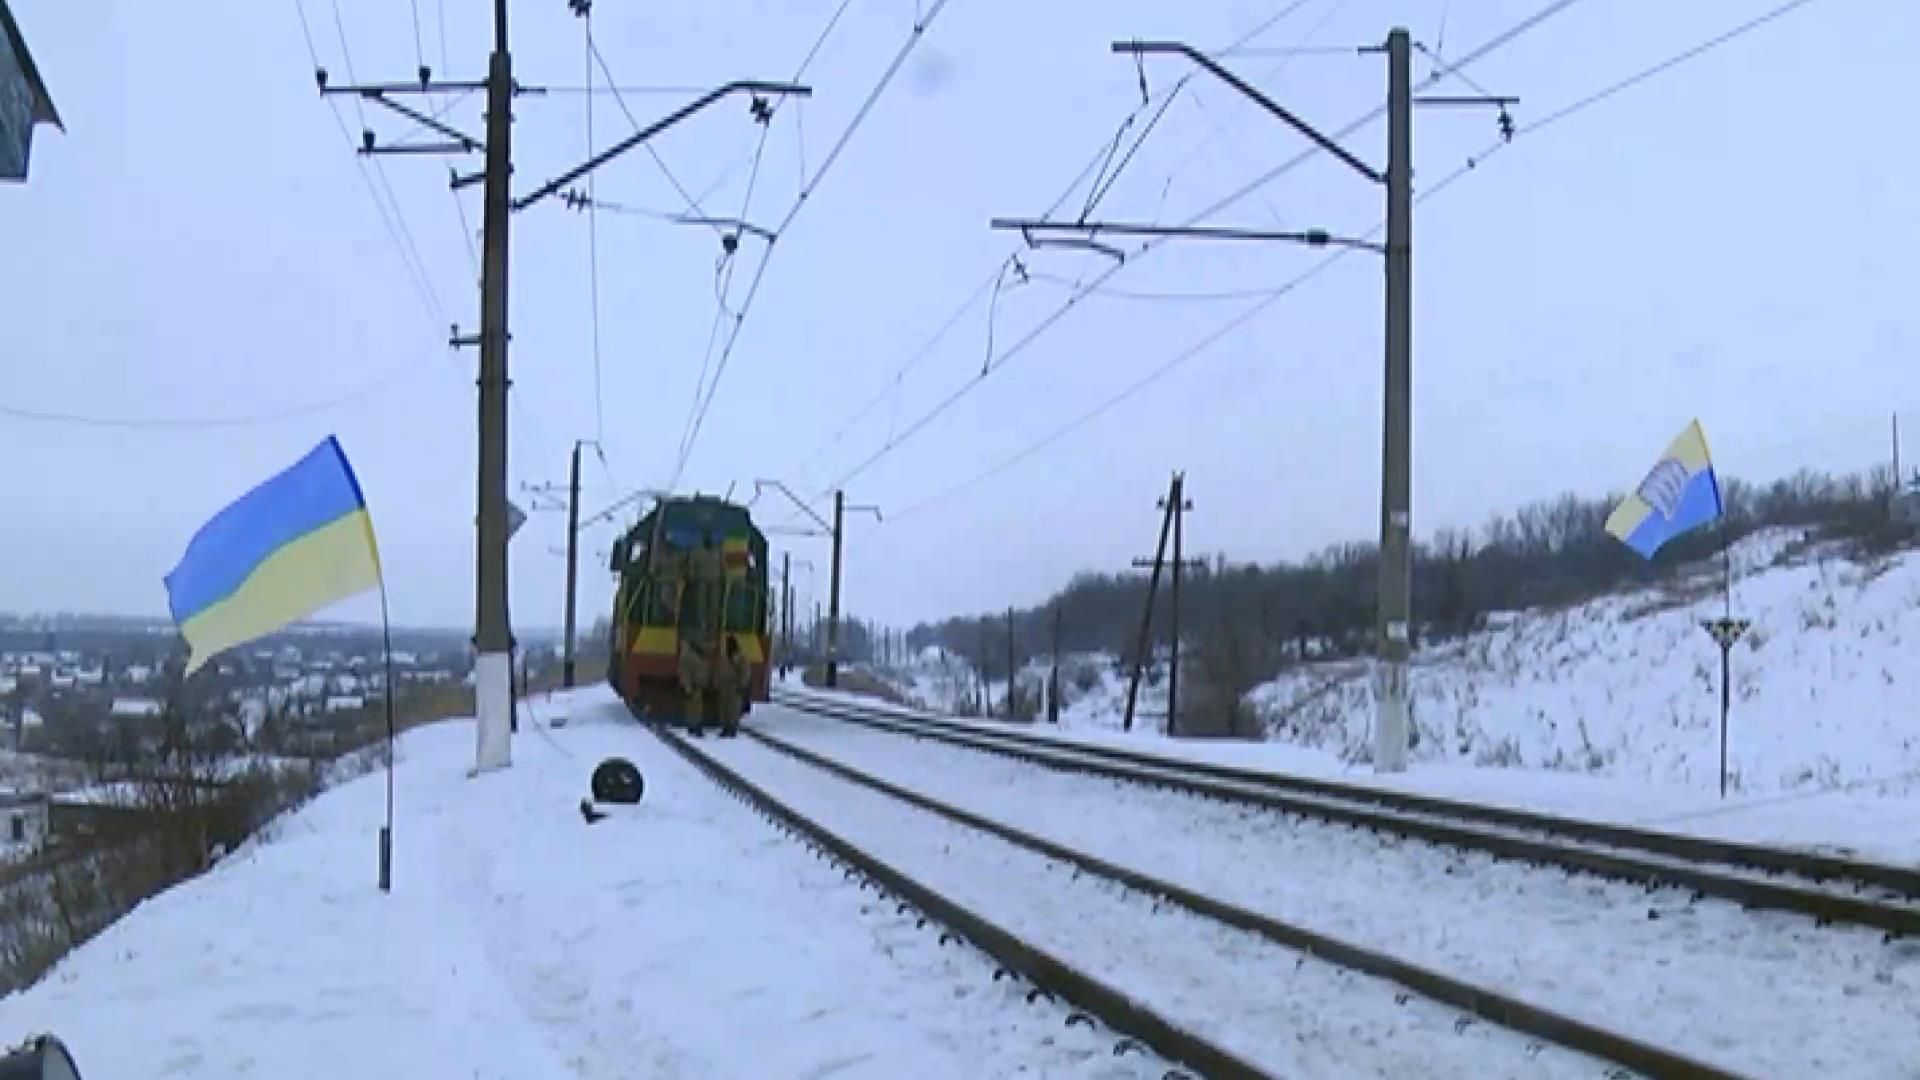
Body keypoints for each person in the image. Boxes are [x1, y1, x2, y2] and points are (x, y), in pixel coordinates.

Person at [711, 636, 747, 738]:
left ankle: (732, 728)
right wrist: (716, 682)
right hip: (724, 686)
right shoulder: (724, 657)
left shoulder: (741, 657)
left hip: (734, 686)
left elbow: (745, 672)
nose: (728, 646)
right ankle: (725, 727)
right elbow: (719, 670)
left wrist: (741, 685)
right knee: (723, 708)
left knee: (733, 708)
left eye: (730, 644)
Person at [677, 638, 710, 734]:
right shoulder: (688, 657)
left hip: (698, 686)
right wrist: (688, 688)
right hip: (693, 686)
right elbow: (685, 674)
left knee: (696, 707)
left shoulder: (698, 656)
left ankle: (694, 726)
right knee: (693, 708)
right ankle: (694, 726)